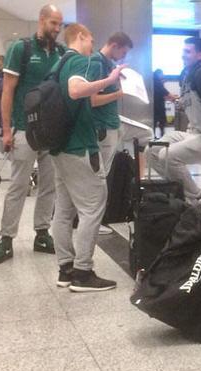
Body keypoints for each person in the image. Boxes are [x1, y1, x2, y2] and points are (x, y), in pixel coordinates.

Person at [49, 23, 125, 292]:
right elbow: (76, 91)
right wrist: (110, 79)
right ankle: (83, 272)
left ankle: (65, 269)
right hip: (80, 146)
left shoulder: (58, 64)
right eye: (91, 38)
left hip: (58, 147)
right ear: (80, 36)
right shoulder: (81, 60)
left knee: (64, 210)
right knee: (93, 207)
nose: (92, 44)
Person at [0, 4, 63, 265]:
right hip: (24, 128)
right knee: (19, 185)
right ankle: (6, 238)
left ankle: (42, 234)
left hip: (51, 132)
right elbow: (7, 91)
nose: (56, 29)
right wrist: (7, 130)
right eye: (53, 23)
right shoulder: (21, 49)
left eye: (59, 25)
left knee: (49, 186)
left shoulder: (61, 53)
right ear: (41, 20)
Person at [148, 36, 201, 204]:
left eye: (188, 51)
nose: (183, 55)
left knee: (167, 156)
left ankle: (197, 198)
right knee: (151, 151)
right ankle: (179, 192)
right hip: (194, 133)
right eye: (183, 51)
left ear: (200, 55)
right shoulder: (188, 76)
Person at [89, 32, 132, 236]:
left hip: (110, 124)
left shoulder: (107, 65)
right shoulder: (98, 63)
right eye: (121, 52)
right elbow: (93, 100)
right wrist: (119, 94)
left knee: (101, 176)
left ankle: (93, 220)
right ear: (114, 45)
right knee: (99, 177)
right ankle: (94, 222)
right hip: (103, 127)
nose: (121, 57)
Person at [153, 69, 170, 138]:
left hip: (155, 104)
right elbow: (165, 93)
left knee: (155, 122)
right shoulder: (157, 82)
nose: (163, 75)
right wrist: (174, 97)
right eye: (162, 74)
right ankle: (162, 136)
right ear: (159, 74)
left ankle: (154, 136)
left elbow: (163, 94)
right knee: (161, 122)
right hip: (158, 105)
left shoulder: (154, 82)